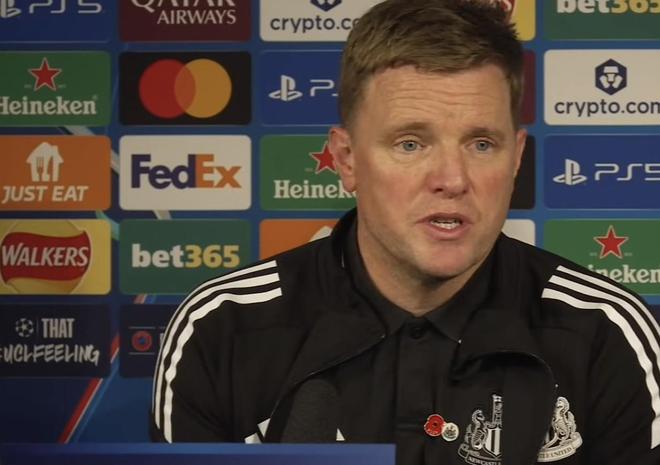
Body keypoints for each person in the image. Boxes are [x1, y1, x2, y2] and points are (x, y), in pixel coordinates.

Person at [151, 0, 660, 463]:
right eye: (411, 143)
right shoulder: (220, 329)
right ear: (346, 159)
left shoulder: (606, 334)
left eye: (482, 144)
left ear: (517, 159)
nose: (452, 180)